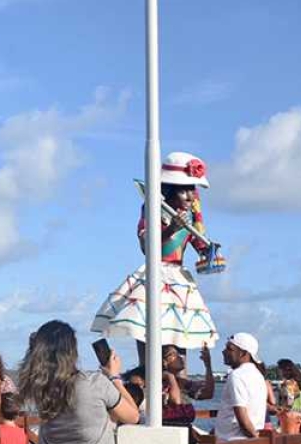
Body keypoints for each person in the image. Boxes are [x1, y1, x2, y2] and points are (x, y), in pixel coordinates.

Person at [91, 152, 221, 365]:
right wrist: (171, 229)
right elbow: (146, 246)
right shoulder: (151, 209)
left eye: (192, 190)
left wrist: (209, 251)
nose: (190, 196)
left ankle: (177, 389)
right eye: (184, 190)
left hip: (179, 281)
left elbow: (200, 245)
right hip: (155, 275)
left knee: (179, 340)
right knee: (147, 333)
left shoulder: (192, 217)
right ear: (170, 189)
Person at [213, 334, 269, 442]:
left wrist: (256, 439)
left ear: (243, 353)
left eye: (229, 349)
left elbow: (242, 417)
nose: (224, 351)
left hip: (232, 443)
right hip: (249, 439)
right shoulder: (258, 375)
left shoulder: (237, 375)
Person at [162, 344, 215, 430]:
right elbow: (176, 401)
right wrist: (170, 376)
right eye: (174, 354)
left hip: (184, 432)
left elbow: (208, 393)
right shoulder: (159, 384)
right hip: (168, 433)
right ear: (164, 361)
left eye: (179, 354)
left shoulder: (182, 383)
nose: (180, 357)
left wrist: (208, 365)